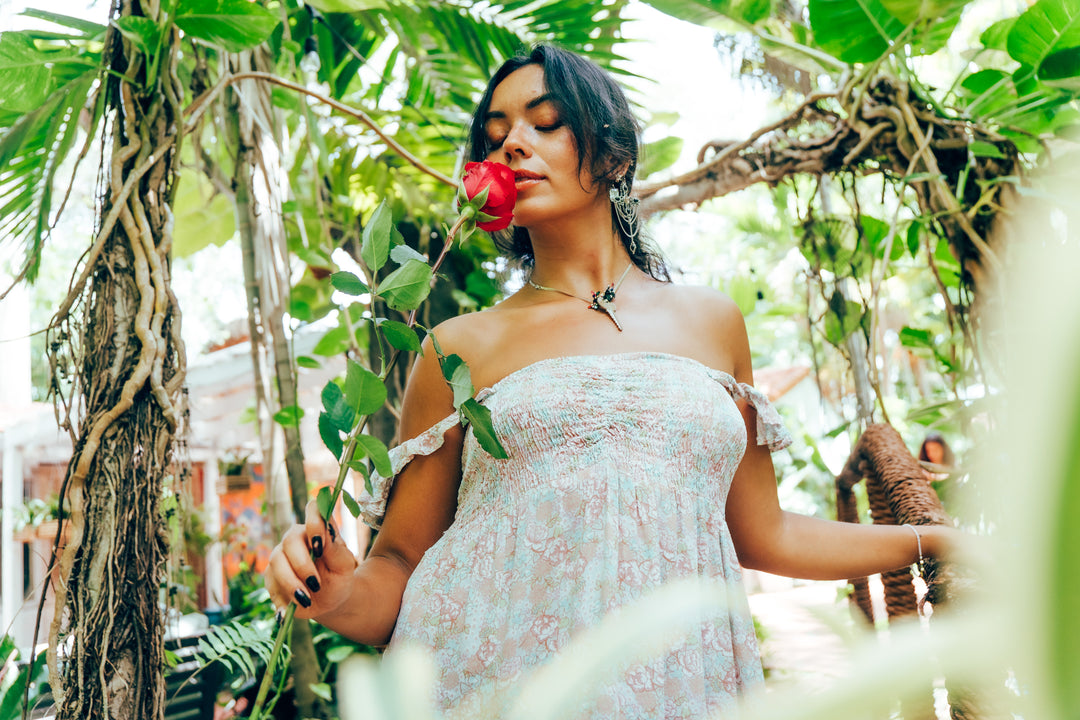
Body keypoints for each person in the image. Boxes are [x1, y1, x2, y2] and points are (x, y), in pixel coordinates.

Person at [264, 46, 962, 718]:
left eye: (545, 122)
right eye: (495, 137)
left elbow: (767, 534)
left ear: (614, 155)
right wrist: (334, 593)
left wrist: (933, 541)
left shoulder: (713, 323)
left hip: (680, 688)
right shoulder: (456, 347)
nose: (512, 145)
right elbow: (399, 564)